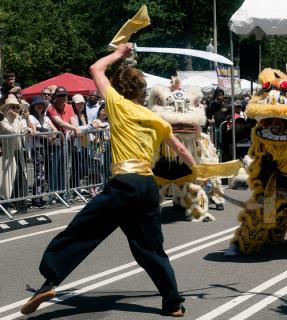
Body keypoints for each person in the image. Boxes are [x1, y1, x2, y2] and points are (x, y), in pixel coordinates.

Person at [20, 43, 196, 317]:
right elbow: (182, 150)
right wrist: (201, 173)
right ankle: (173, 302)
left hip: (124, 184)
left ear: (121, 89)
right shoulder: (156, 118)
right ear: (142, 91)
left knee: (82, 231)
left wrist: (119, 54)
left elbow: (95, 68)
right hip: (147, 187)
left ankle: (50, 281)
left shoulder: (117, 104)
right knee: (150, 248)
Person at [0, 96, 29, 214]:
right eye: (13, 107)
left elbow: (24, 130)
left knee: (22, 178)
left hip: (19, 153)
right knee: (8, 181)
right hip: (8, 155)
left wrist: (27, 128)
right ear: (7, 109)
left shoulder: (19, 120)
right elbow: (14, 132)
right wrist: (20, 119)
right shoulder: (2, 122)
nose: (16, 109)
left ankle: (21, 205)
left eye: (17, 107)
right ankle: (7, 205)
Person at [28, 95, 58, 208]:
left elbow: (55, 129)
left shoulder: (45, 118)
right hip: (37, 148)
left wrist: (53, 135)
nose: (40, 106)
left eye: (42, 104)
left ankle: (40, 197)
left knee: (45, 174)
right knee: (39, 174)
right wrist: (48, 134)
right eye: (37, 104)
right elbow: (35, 132)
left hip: (46, 147)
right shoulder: (31, 117)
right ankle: (36, 199)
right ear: (33, 106)